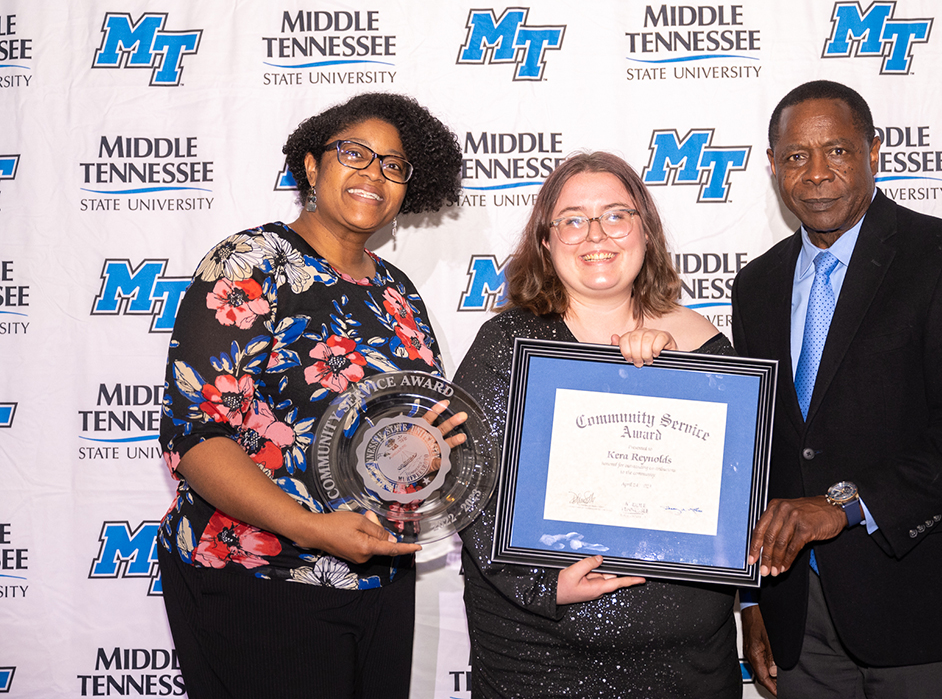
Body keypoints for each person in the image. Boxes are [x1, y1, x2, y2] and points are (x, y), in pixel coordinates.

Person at [156, 92, 463, 699]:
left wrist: (425, 454)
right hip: (261, 577)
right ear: (310, 166)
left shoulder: (398, 290)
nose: (374, 173)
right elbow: (196, 439)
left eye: (394, 165)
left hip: (379, 576)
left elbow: (397, 436)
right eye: (355, 154)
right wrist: (313, 528)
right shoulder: (250, 264)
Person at [731, 80, 942, 698]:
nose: (815, 173)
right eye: (795, 156)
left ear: (874, 152)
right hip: (797, 615)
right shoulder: (756, 286)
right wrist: (751, 599)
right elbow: (755, 456)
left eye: (836, 151)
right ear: (773, 166)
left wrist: (843, 505)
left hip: (922, 602)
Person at [455, 151, 742, 698]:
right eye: (572, 219)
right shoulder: (507, 345)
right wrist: (542, 586)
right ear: (546, 240)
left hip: (689, 663)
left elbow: (736, 491)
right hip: (543, 659)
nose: (596, 234)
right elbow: (468, 487)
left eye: (615, 214)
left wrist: (670, 378)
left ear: (645, 231)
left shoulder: (703, 343)